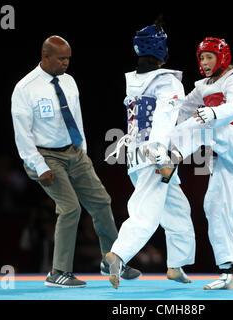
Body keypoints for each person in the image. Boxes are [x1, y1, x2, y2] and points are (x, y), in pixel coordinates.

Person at [11, 35, 141, 288]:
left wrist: (81, 151)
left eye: (68, 58)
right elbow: (22, 134)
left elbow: (76, 117)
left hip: (74, 152)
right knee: (70, 208)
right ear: (45, 56)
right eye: (61, 58)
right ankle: (58, 272)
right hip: (45, 155)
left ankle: (112, 261)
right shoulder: (25, 88)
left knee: (102, 202)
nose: (66, 63)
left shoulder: (69, 82)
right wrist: (40, 165)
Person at [159, 37, 233, 290]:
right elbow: (182, 111)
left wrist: (212, 113)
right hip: (228, 152)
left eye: (209, 57)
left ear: (222, 57)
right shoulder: (202, 86)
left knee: (205, 121)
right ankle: (226, 273)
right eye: (201, 57)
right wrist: (163, 129)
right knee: (215, 203)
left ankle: (172, 160)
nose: (204, 62)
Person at [104, 20, 196, 289]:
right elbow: (164, 118)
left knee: (179, 211)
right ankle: (117, 255)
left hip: (134, 155)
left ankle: (175, 265)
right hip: (153, 155)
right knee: (147, 213)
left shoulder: (135, 81)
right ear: (161, 49)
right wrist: (161, 156)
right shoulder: (166, 81)